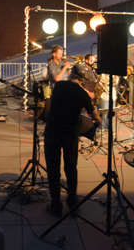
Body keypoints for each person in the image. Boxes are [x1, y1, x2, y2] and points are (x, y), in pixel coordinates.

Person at [43, 64, 102, 218]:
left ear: (71, 74)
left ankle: (56, 206)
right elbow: (95, 117)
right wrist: (97, 123)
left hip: (53, 132)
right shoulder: (83, 95)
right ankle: (73, 203)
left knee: (53, 169)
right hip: (70, 134)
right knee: (71, 168)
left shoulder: (59, 86)